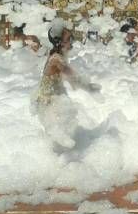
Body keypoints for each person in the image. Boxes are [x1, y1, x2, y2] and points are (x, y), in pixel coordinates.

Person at [32, 19, 100, 151]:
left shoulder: (56, 56)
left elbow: (70, 79)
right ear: (59, 41)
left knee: (63, 132)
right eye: (69, 38)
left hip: (49, 100)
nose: (72, 41)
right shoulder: (56, 59)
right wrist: (89, 87)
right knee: (60, 136)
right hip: (48, 102)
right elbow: (72, 77)